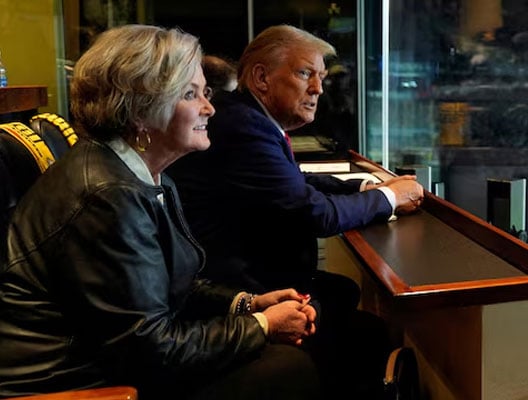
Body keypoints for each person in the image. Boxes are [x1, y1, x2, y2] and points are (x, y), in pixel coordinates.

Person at [0, 25, 319, 400]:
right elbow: (152, 349)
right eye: (190, 94)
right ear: (139, 111)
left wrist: (247, 304)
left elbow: (170, 283)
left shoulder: (144, 171)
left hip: (110, 361)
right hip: (76, 384)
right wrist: (262, 324)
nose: (209, 108)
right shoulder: (108, 196)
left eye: (206, 92)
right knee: (287, 370)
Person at [167, 24, 424, 399]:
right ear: (261, 77)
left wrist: (371, 187)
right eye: (305, 74)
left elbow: (293, 182)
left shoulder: (250, 119)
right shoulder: (242, 125)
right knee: (357, 326)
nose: (318, 88)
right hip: (237, 283)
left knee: (343, 294)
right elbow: (312, 213)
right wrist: (389, 199)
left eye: (320, 77)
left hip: (243, 275)